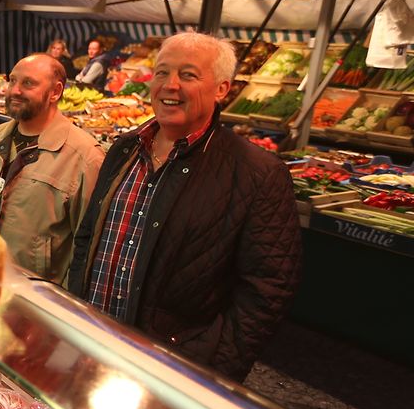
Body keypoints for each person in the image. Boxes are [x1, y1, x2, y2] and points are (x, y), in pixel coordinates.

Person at [66, 32, 301, 381]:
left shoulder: (258, 174)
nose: (169, 85)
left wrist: (212, 369)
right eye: (162, 72)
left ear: (222, 89)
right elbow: (89, 236)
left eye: (188, 75)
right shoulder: (125, 149)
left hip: (170, 371)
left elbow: (268, 289)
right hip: (91, 346)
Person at [0, 54, 103, 282]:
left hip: (32, 295)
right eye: (12, 80)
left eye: (28, 83)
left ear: (55, 92)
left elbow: (89, 248)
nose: (14, 91)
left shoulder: (85, 158)